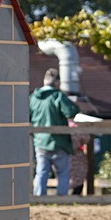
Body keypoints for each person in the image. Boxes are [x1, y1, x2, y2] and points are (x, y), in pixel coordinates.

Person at [30, 68, 80, 196]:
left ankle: (39, 198)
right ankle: (62, 199)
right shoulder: (58, 96)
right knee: (63, 173)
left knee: (41, 172)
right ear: (57, 83)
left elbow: (27, 116)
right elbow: (71, 111)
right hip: (59, 142)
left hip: (40, 141)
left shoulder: (33, 98)